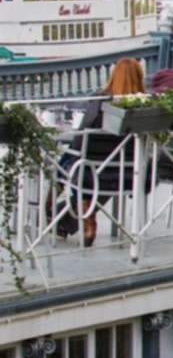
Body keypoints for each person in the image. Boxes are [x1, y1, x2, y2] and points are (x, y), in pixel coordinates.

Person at [65, 58, 146, 246]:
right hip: (129, 171)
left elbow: (84, 132)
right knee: (76, 160)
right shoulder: (146, 103)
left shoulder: (100, 99)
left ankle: (81, 214)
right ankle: (76, 211)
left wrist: (73, 150)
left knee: (69, 158)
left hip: (92, 170)